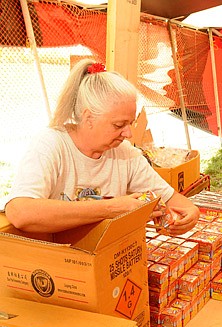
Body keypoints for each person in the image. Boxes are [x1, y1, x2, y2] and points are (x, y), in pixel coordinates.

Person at [2, 59, 200, 235]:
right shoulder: (51, 144)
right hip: (56, 262)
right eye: (119, 125)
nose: (128, 133)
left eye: (130, 123)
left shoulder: (126, 155)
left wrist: (190, 214)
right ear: (88, 118)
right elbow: (20, 212)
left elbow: (175, 201)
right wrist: (112, 208)